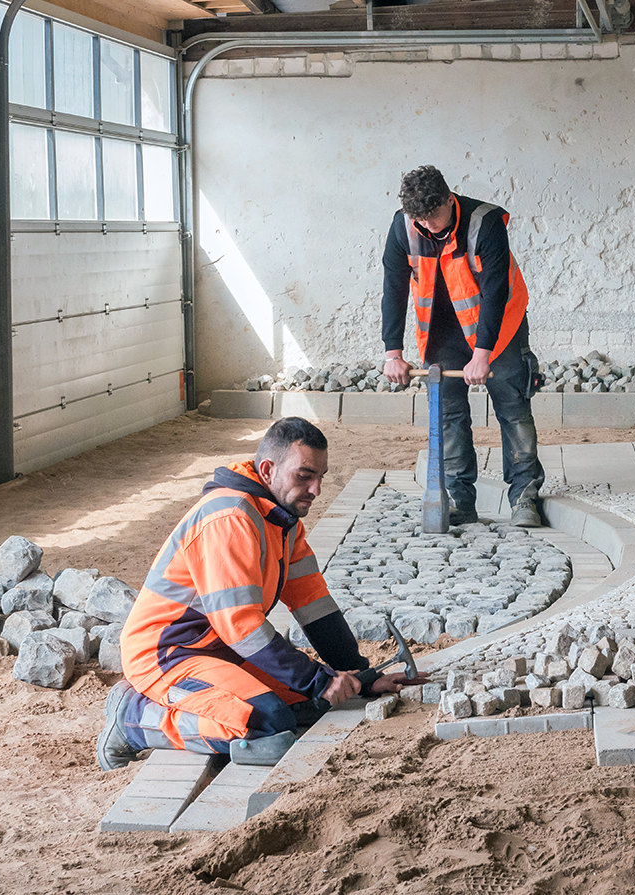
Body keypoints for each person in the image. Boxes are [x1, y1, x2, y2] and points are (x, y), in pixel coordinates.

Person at [96, 417, 411, 771]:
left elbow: (315, 606)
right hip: (169, 655)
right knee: (267, 724)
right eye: (304, 476)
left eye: (320, 477)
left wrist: (359, 677)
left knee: (313, 703)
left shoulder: (283, 522)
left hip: (220, 651)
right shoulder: (228, 518)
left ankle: (171, 710)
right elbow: (241, 627)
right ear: (267, 470)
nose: (316, 489)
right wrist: (317, 679)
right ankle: (134, 720)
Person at [381, 165, 546, 528]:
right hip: (442, 333)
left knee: (513, 409)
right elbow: (393, 288)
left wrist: (483, 354)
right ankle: (459, 500)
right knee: (449, 416)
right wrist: (393, 351)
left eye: (434, 215)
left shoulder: (483, 223)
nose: (429, 226)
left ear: (448, 198)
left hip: (499, 329)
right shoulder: (404, 226)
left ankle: (524, 497)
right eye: (420, 219)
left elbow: (495, 292)